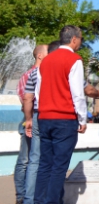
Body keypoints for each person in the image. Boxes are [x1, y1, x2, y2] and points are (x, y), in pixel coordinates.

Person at [34, 26, 88, 204]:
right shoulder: (74, 60)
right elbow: (77, 94)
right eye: (80, 38)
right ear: (74, 40)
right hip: (64, 119)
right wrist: (82, 118)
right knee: (59, 167)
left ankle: (39, 200)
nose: (80, 42)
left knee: (45, 164)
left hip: (44, 118)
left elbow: (38, 92)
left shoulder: (46, 61)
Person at [14, 44, 47, 204]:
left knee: (33, 160)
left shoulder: (44, 73)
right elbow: (25, 98)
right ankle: (21, 196)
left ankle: (30, 195)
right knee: (25, 160)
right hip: (31, 119)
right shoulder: (29, 75)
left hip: (38, 120)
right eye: (48, 52)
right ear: (40, 55)